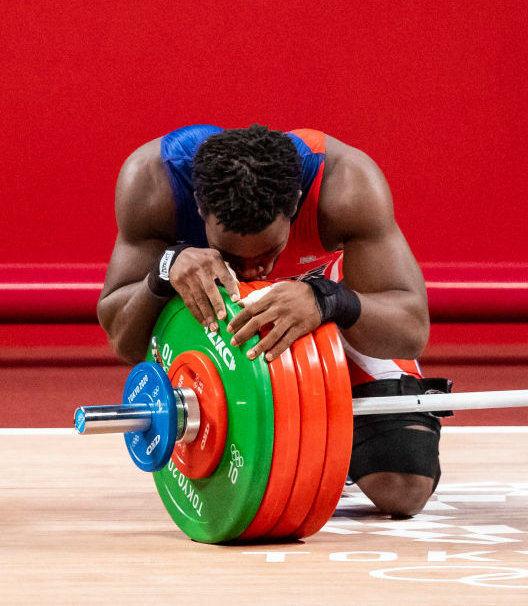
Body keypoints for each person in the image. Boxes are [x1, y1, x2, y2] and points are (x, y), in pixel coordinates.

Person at [97, 124, 441, 517]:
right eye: (232, 256)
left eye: (267, 252)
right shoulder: (153, 181)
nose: (250, 272)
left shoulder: (345, 184)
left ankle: (325, 437)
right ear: (198, 205)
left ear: (295, 203)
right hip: (220, 325)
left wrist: (329, 301)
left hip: (323, 309)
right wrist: (165, 268)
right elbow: (123, 342)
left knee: (403, 488)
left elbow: (411, 330)